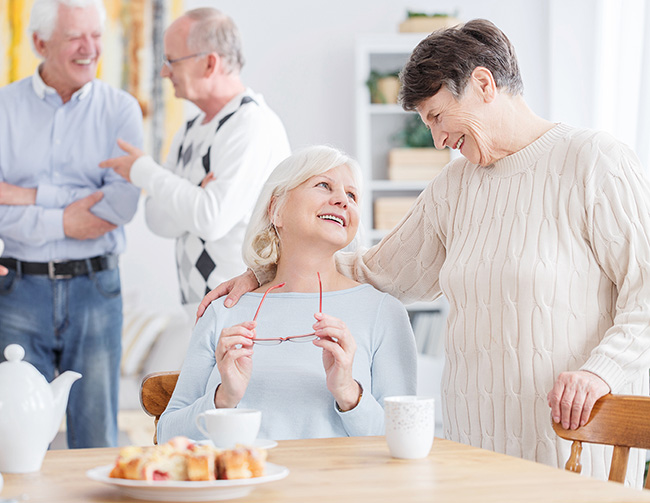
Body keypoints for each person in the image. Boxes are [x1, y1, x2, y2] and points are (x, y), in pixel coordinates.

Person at [198, 19, 650, 485]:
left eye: (436, 116)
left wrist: (601, 372)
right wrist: (269, 272)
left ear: (482, 84)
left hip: (573, 437)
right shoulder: (453, 187)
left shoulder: (594, 161)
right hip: (473, 446)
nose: (437, 140)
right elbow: (379, 271)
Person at [157, 146, 417, 443]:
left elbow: (406, 440)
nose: (342, 201)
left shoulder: (384, 312)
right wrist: (223, 399)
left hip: (340, 488)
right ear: (276, 209)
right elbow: (168, 435)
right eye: (323, 185)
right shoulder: (224, 310)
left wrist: (349, 393)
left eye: (352, 196)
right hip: (243, 484)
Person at [0, 0, 142, 448]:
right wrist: (69, 216)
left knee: (97, 434)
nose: (90, 48)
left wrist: (32, 197)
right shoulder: (4, 108)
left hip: (95, 289)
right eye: (75, 37)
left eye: (96, 35)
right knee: (18, 434)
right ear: (40, 43)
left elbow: (118, 206)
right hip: (18, 289)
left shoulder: (121, 110)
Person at [100, 7, 290, 320]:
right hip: (203, 308)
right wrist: (192, 195)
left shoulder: (252, 124)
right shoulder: (190, 129)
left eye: (172, 60)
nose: (164, 72)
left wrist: (144, 171)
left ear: (210, 63)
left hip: (243, 310)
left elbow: (210, 219)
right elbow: (157, 220)